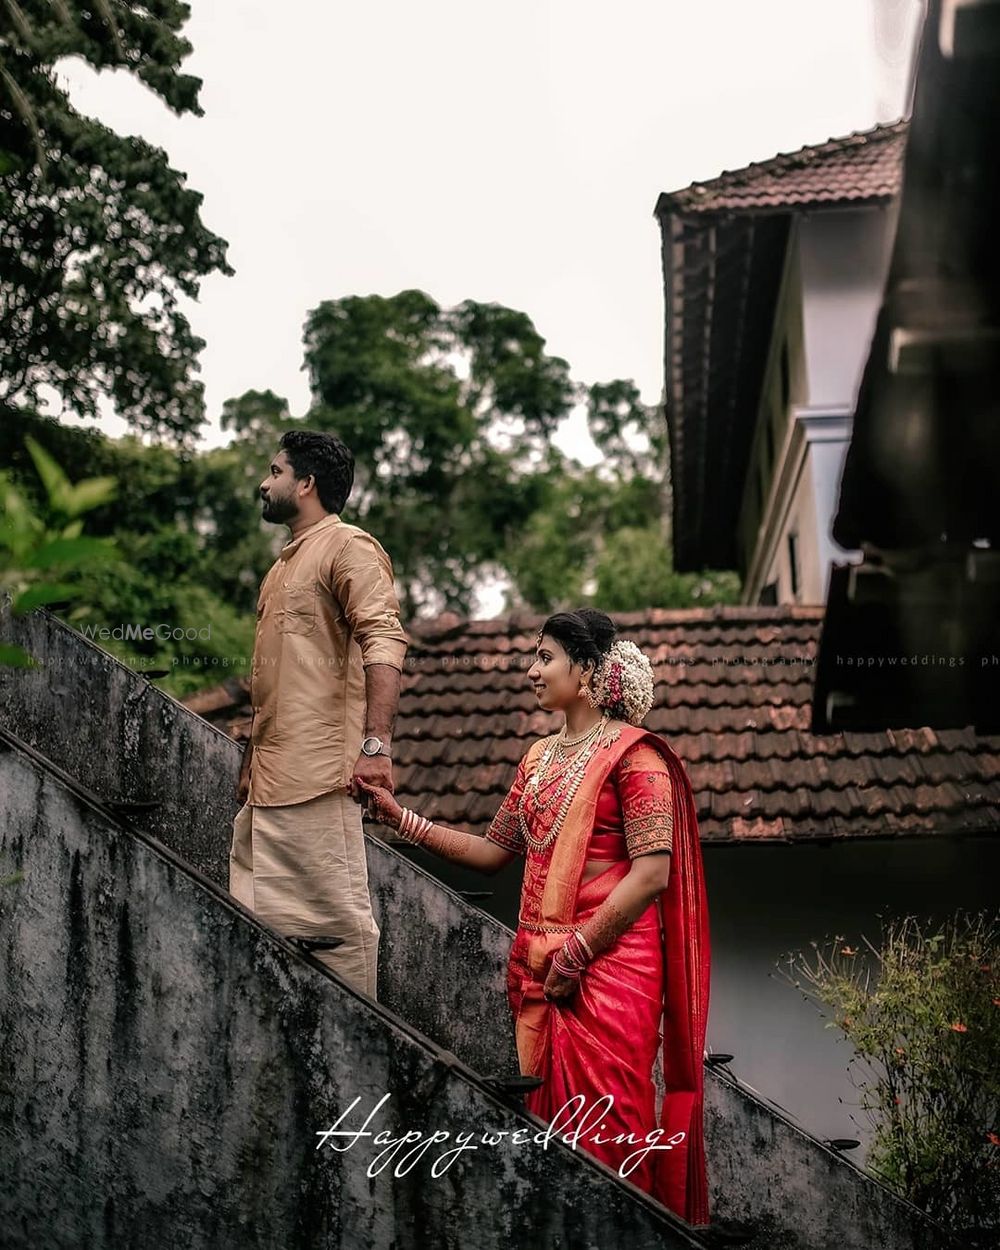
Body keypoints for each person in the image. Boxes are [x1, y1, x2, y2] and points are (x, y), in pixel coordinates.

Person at [358, 608, 711, 1226]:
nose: (531, 671)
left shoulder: (638, 759)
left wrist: (579, 951)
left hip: (610, 968)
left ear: (590, 669)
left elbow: (652, 873)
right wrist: (400, 818)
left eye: (545, 657)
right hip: (542, 972)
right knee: (550, 1136)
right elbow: (493, 853)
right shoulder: (538, 760)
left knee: (610, 1127)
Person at [228, 429, 408, 999]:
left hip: (320, 777)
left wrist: (375, 748)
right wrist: (251, 760)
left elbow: (384, 639)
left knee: (339, 938)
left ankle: (358, 1065)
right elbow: (271, 678)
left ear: (305, 484)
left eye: (275, 472)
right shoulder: (281, 568)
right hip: (268, 790)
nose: (265, 482)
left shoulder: (347, 547)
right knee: (256, 937)